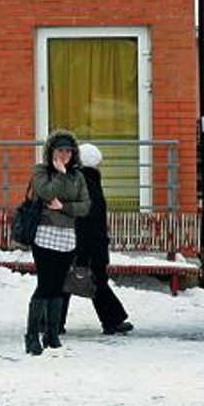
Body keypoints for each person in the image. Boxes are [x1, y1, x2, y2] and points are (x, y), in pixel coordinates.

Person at [24, 130, 91, 356]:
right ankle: (32, 335)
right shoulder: (41, 171)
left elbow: (85, 206)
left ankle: (51, 334)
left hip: (67, 237)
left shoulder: (78, 176)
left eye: (68, 151)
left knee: (58, 286)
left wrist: (64, 207)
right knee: (45, 284)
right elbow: (45, 193)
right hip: (44, 233)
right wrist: (60, 175)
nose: (64, 155)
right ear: (51, 151)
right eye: (60, 150)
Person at [58, 143, 133, 336]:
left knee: (67, 281)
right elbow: (88, 220)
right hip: (88, 243)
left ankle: (52, 322)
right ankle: (112, 320)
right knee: (94, 280)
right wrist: (83, 253)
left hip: (78, 242)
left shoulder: (77, 181)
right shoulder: (88, 183)